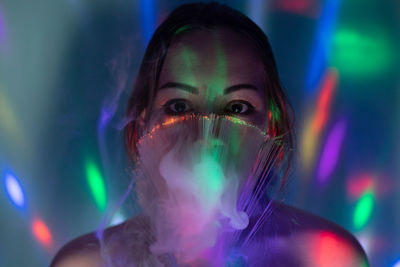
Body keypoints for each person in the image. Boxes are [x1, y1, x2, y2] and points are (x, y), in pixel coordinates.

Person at [51, 3, 368, 266]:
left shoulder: (328, 257)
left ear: (271, 126)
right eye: (178, 106)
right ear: (142, 127)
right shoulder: (87, 263)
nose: (207, 137)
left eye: (238, 108)